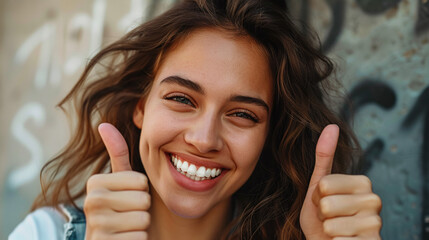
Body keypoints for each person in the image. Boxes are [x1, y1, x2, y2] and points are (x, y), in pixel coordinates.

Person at [9, 0, 382, 239]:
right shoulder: (45, 233)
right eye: (182, 99)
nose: (205, 139)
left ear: (269, 134)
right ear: (141, 105)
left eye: (241, 114)